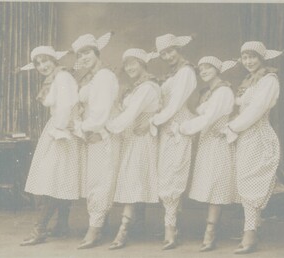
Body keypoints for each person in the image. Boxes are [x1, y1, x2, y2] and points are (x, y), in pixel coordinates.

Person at [221, 41, 283, 254]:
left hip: (258, 135)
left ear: (262, 58)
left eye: (253, 57)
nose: (248, 61)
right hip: (245, 136)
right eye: (245, 57)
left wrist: (233, 126)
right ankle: (252, 228)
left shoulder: (269, 80)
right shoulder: (249, 81)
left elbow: (256, 110)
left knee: (251, 181)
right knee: (245, 180)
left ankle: (250, 235)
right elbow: (242, 104)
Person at [20, 46, 81, 246]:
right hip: (57, 128)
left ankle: (40, 230)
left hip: (61, 130)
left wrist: (59, 130)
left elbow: (65, 107)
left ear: (54, 60)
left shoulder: (62, 77)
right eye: (38, 63)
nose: (42, 66)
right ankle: (62, 225)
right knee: (58, 179)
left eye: (46, 60)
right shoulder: (55, 78)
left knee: (50, 181)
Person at [180, 56, 239, 252]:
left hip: (218, 143)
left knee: (216, 186)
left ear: (217, 69)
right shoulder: (208, 92)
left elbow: (207, 118)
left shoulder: (223, 91)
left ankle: (210, 233)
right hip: (207, 142)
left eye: (208, 68)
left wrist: (182, 127)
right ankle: (210, 230)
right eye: (201, 68)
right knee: (209, 185)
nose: (203, 71)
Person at [105, 48, 161, 250]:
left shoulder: (147, 87)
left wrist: (107, 128)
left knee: (132, 180)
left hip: (142, 139)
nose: (129, 67)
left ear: (143, 64)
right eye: (126, 64)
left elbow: (131, 115)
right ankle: (137, 224)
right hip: (132, 138)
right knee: (134, 181)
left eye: (133, 63)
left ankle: (123, 230)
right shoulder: (136, 87)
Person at [71, 32, 121, 249]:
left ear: (96, 52)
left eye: (87, 52)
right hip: (92, 134)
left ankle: (94, 230)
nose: (83, 57)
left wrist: (83, 127)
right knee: (95, 180)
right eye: (80, 54)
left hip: (103, 134)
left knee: (100, 181)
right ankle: (100, 226)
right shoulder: (91, 78)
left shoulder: (105, 77)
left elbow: (100, 113)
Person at [148, 34, 197, 250]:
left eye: (170, 51)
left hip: (178, 126)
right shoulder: (172, 74)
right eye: (163, 53)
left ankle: (171, 229)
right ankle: (172, 224)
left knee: (174, 174)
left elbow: (176, 104)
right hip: (167, 126)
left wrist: (155, 121)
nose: (168, 56)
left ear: (178, 49)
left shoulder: (186, 72)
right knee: (165, 174)